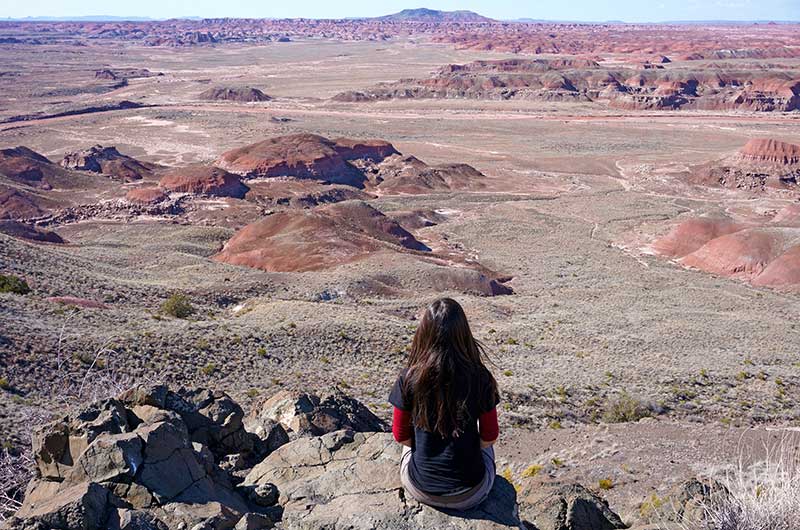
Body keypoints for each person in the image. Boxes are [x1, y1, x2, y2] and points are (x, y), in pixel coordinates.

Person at [389, 297, 500, 510]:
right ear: (463, 334)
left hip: (421, 489)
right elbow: (490, 435)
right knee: (485, 449)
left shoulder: (409, 378)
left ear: (424, 334)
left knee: (407, 450)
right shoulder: (480, 378)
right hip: (472, 493)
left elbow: (400, 435)